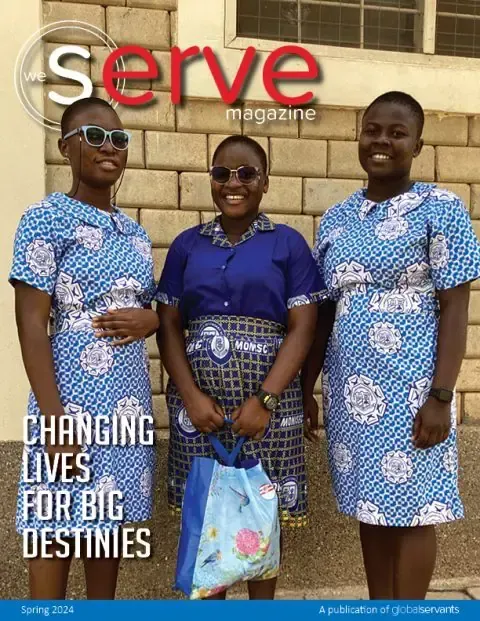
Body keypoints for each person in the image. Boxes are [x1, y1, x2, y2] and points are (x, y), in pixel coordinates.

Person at [302, 91, 480, 600]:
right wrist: (307, 387)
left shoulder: (441, 208)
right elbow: (325, 310)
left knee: (416, 508)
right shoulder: (337, 218)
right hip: (351, 393)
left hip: (411, 392)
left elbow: (455, 307)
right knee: (371, 505)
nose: (382, 141)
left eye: (396, 133)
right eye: (373, 130)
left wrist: (441, 396)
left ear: (418, 144)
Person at [156, 135, 325, 599]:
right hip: (200, 408)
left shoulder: (287, 244)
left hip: (270, 409)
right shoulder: (187, 245)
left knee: (262, 515)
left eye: (246, 173)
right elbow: (168, 323)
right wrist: (190, 396)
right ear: (210, 180)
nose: (234, 183)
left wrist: (265, 399)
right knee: (209, 513)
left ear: (265, 182)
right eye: (222, 174)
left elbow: (304, 326)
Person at [9, 97, 159, 599]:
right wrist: (54, 423)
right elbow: (31, 324)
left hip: (126, 401)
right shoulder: (45, 218)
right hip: (68, 397)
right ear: (65, 147)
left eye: (119, 139)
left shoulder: (134, 233)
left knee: (106, 529)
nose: (109, 148)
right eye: (94, 137)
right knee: (53, 525)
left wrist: (153, 318)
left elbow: (149, 308)